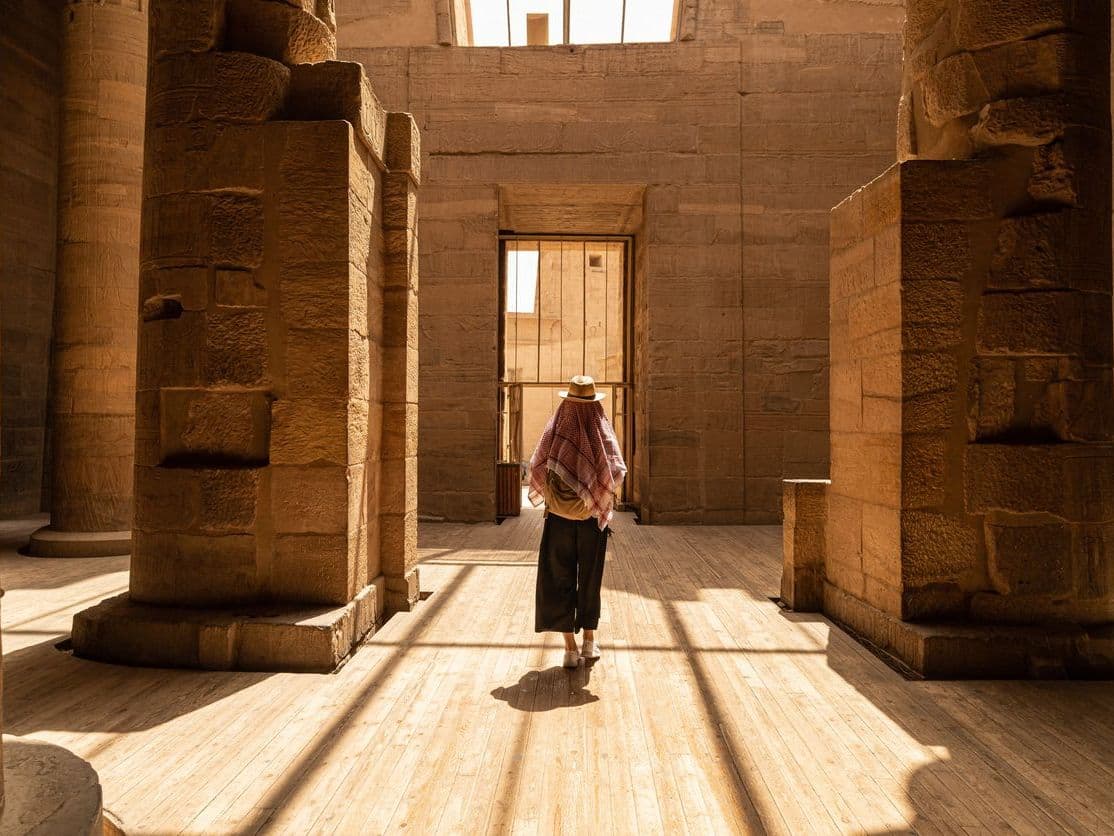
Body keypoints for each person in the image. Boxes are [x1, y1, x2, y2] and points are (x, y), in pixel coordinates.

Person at [527, 375, 627, 669]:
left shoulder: (558, 425)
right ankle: (589, 640)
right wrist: (594, 489)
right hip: (592, 519)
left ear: (568, 400)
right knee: (590, 578)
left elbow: (537, 465)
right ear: (593, 401)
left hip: (557, 518)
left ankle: (569, 648)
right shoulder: (600, 426)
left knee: (559, 578)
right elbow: (617, 468)